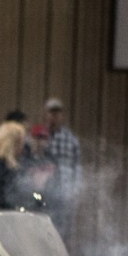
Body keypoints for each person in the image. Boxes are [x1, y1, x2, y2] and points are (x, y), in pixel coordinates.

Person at [42, 97, 80, 239]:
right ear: (46, 114)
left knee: (63, 226)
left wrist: (75, 189)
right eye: (51, 113)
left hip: (65, 189)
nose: (54, 117)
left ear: (61, 116)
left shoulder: (71, 139)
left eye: (57, 113)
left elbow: (77, 166)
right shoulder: (40, 135)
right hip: (45, 189)